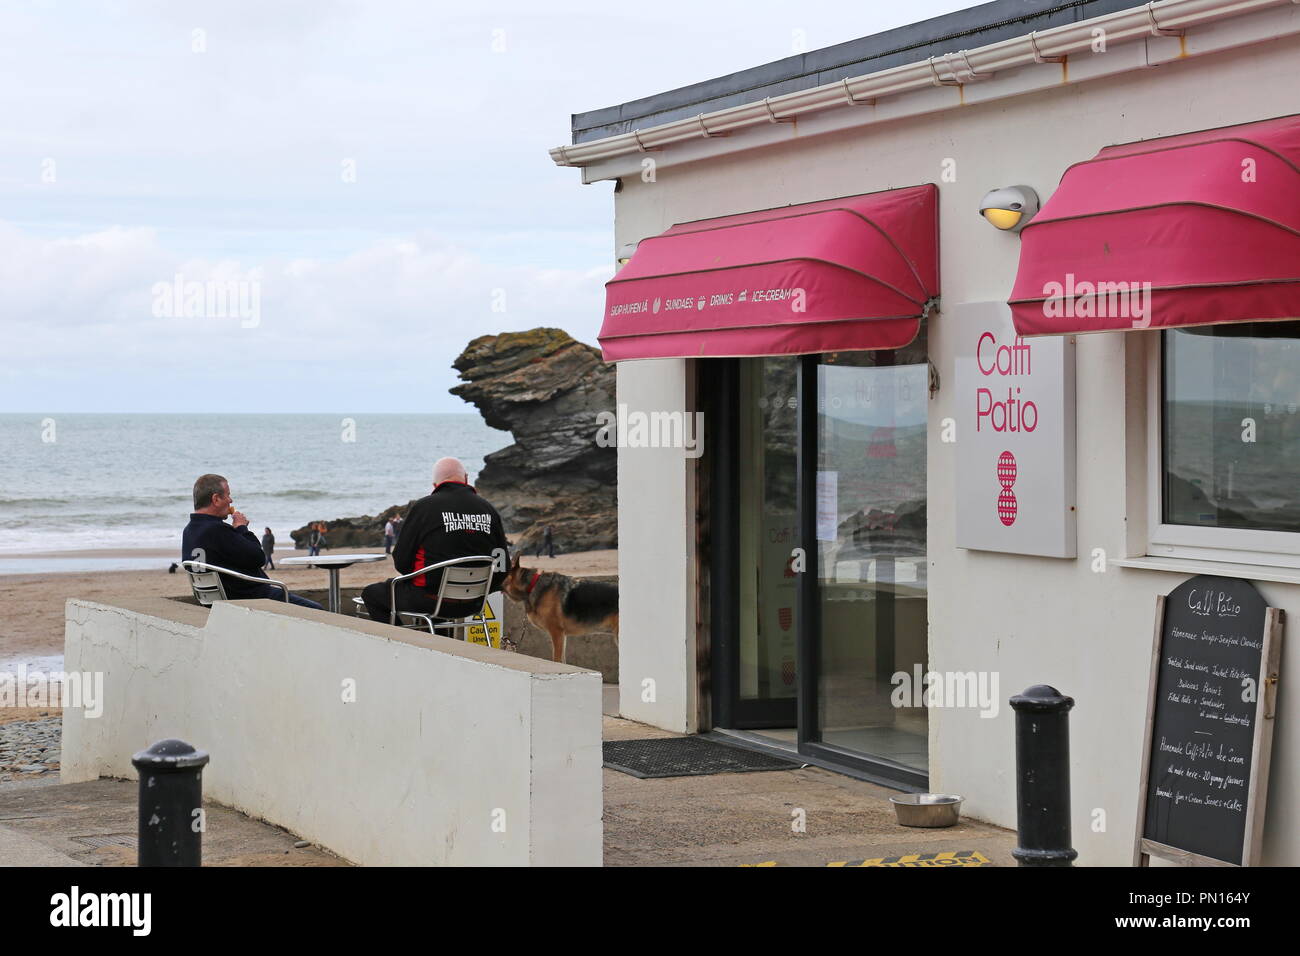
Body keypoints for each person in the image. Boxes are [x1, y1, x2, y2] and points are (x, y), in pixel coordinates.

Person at [361, 457, 510, 626]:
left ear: (435, 485)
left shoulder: (424, 507)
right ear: (466, 479)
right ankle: (436, 643)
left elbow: (401, 561)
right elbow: (502, 565)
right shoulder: (488, 509)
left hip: (429, 600)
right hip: (474, 602)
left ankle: (403, 643)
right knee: (435, 591)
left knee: (371, 594)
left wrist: (422, 578)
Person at [182, 474, 321, 609]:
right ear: (216, 499)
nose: (231, 501)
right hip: (250, 598)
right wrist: (242, 528)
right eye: (228, 495)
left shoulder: (189, 531)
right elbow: (259, 557)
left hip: (218, 602)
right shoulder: (217, 530)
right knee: (318, 611)